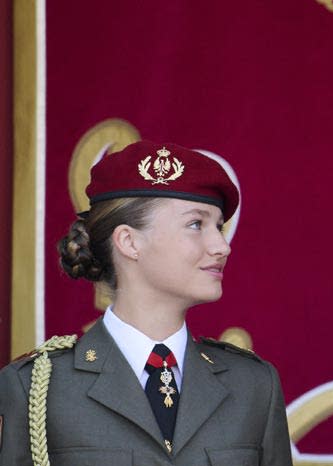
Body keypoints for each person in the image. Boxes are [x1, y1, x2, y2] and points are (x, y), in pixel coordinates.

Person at [0, 141, 293, 465]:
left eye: (218, 226)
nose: (222, 246)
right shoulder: (37, 388)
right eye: (196, 224)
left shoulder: (253, 385)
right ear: (129, 241)